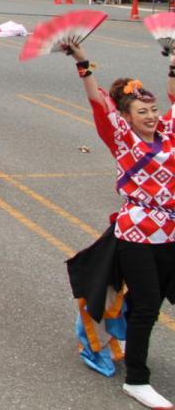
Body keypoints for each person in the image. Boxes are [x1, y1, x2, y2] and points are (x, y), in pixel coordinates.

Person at [64, 42, 175, 410]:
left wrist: (173, 60)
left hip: (171, 235)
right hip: (136, 236)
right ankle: (137, 381)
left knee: (155, 302)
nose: (152, 116)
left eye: (154, 109)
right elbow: (98, 101)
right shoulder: (124, 140)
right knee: (146, 308)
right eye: (142, 111)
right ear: (126, 117)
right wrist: (83, 62)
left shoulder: (170, 135)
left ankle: (128, 343)